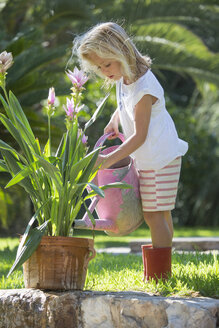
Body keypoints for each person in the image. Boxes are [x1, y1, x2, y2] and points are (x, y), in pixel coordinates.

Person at [74, 22, 188, 281]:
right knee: (160, 213)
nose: (104, 72)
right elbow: (127, 103)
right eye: (99, 68)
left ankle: (160, 275)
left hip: (160, 158)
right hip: (153, 159)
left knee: (154, 215)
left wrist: (106, 160)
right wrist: (115, 118)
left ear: (121, 53)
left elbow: (139, 136)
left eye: (107, 65)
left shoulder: (145, 86)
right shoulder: (124, 77)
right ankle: (163, 270)